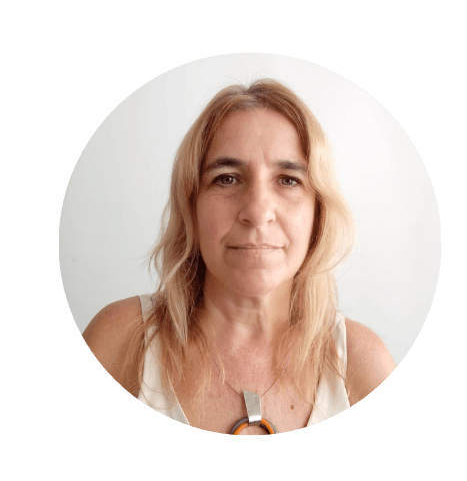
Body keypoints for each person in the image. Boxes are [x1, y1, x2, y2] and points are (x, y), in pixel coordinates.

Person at [83, 79, 396, 435]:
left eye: (288, 180)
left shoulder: (362, 364)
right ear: (191, 206)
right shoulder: (122, 341)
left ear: (318, 212)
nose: (257, 212)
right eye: (227, 178)